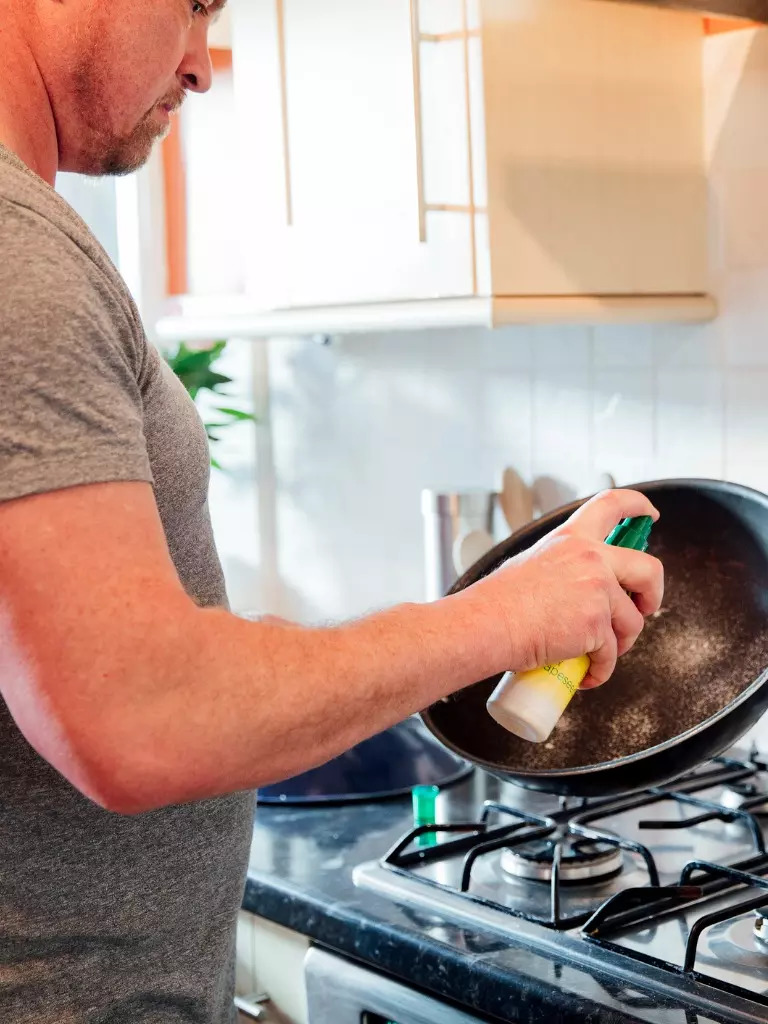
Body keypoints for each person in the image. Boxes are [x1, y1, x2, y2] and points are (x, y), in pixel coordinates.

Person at [0, 1, 664, 1022]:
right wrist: (506, 613)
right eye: (193, 7)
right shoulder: (20, 260)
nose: (202, 64)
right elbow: (140, 717)